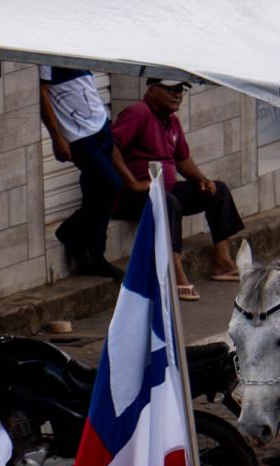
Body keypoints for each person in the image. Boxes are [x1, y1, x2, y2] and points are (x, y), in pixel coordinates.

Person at [111, 80, 246, 301]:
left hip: (164, 190)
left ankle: (223, 263)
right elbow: (111, 147)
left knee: (217, 190)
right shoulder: (138, 113)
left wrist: (202, 180)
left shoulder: (171, 121)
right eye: (171, 90)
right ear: (152, 89)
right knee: (169, 202)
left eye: (180, 90)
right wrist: (133, 183)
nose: (177, 95)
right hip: (131, 197)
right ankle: (175, 273)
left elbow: (182, 159)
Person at [38, 66, 120, 278]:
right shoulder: (46, 54)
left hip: (99, 123)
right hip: (78, 134)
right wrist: (57, 138)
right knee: (111, 185)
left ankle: (92, 253)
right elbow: (42, 91)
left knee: (96, 192)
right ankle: (71, 232)